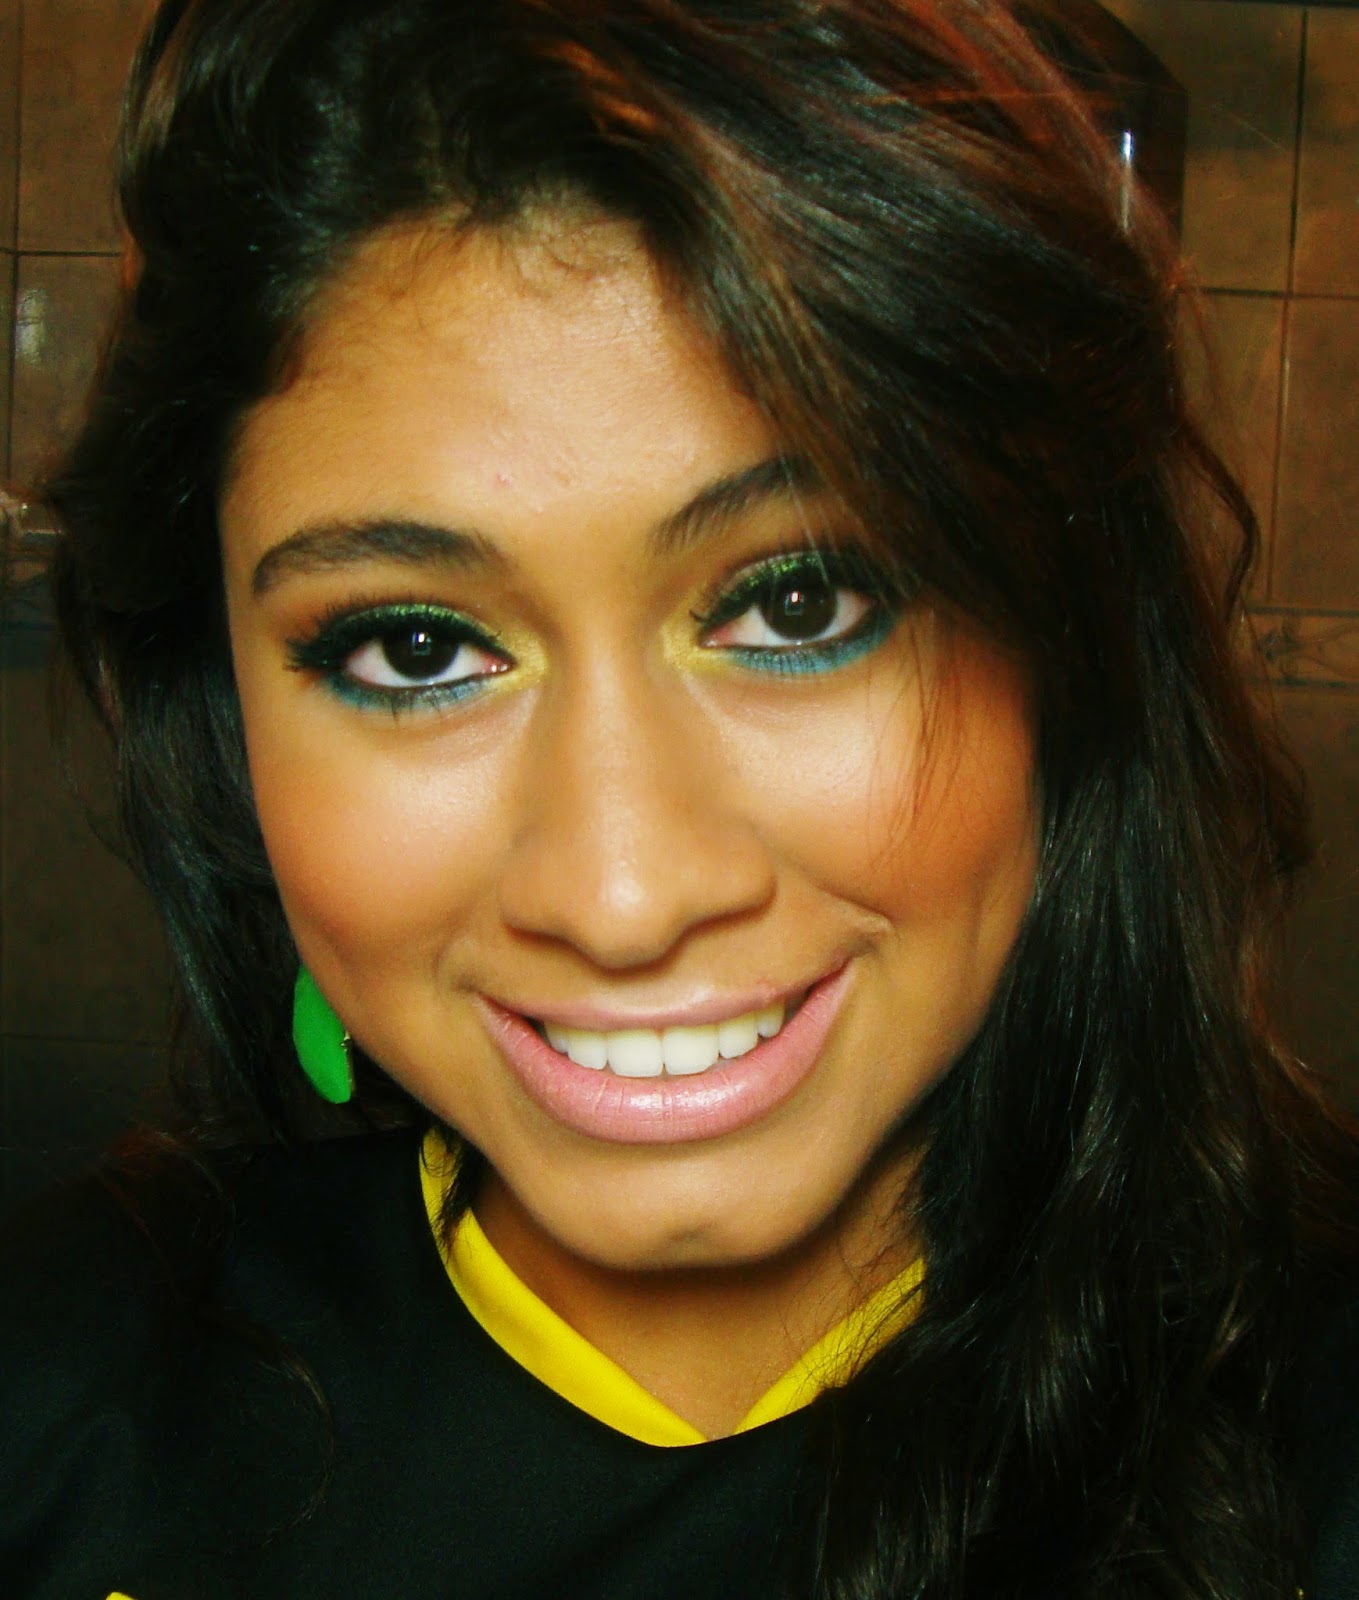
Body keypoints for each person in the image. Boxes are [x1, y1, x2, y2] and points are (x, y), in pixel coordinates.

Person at [3, 1, 1358, 1595]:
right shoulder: (63, 1399)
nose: (623, 896)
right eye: (416, 648)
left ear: (1066, 656)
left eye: (800, 605)